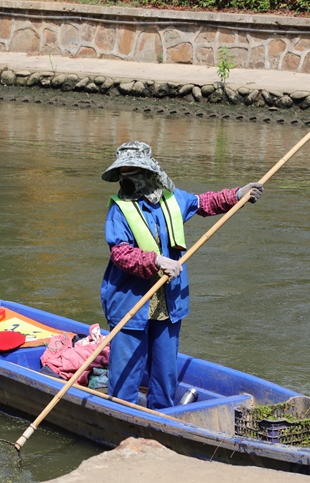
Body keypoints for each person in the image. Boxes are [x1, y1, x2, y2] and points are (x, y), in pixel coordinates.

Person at [99, 141, 264, 409]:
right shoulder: (119, 209)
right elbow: (120, 253)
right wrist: (155, 261)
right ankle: (121, 417)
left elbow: (204, 203)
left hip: (168, 302)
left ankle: (162, 417)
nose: (127, 179)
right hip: (130, 303)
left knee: (165, 373)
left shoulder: (172, 200)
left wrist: (238, 195)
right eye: (123, 173)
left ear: (149, 172)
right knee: (126, 376)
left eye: (134, 172)